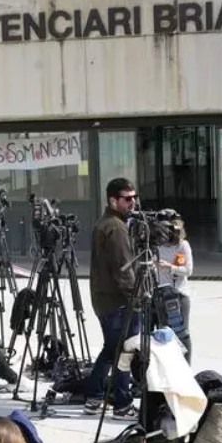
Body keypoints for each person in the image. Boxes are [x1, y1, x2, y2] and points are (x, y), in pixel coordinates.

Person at [84, 177, 139, 418]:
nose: (132, 203)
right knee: (123, 352)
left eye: (134, 197)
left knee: (111, 349)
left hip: (105, 299)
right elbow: (124, 270)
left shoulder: (106, 222)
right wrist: (136, 299)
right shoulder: (116, 228)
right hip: (116, 302)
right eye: (127, 199)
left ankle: (94, 396)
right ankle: (122, 404)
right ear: (113, 200)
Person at [154, 217, 194, 355]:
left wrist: (170, 267)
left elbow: (187, 270)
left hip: (178, 294)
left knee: (182, 334)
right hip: (158, 294)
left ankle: (186, 369)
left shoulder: (182, 246)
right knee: (162, 335)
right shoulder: (155, 245)